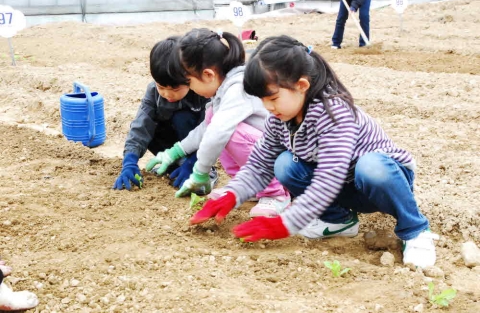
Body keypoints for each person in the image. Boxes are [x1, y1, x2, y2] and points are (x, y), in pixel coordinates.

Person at [190, 35, 438, 268]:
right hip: (347, 187)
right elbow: (258, 165)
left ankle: (415, 229)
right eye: (263, 100)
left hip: (384, 180)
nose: (268, 107)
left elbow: (329, 178)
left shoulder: (334, 112)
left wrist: (286, 223)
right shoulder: (280, 119)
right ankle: (338, 221)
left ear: (301, 85)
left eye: (273, 98)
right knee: (285, 165)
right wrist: (232, 195)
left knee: (370, 166)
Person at [147, 28, 290, 217]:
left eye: (189, 82)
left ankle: (275, 193)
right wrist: (175, 151)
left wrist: (200, 172)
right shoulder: (223, 89)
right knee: (214, 120)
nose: (190, 88)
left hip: (286, 161)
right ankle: (250, 186)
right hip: (269, 156)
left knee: (226, 131)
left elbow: (217, 132)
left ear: (208, 75)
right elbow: (206, 128)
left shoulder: (239, 87)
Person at [113, 36, 217, 191]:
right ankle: (172, 165)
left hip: (196, 147)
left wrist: (194, 162)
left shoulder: (202, 93)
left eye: (175, 89)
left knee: (182, 118)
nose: (167, 94)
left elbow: (211, 134)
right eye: (161, 86)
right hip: (169, 145)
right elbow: (140, 127)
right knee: (150, 124)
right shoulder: (153, 93)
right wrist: (129, 162)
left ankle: (202, 170)